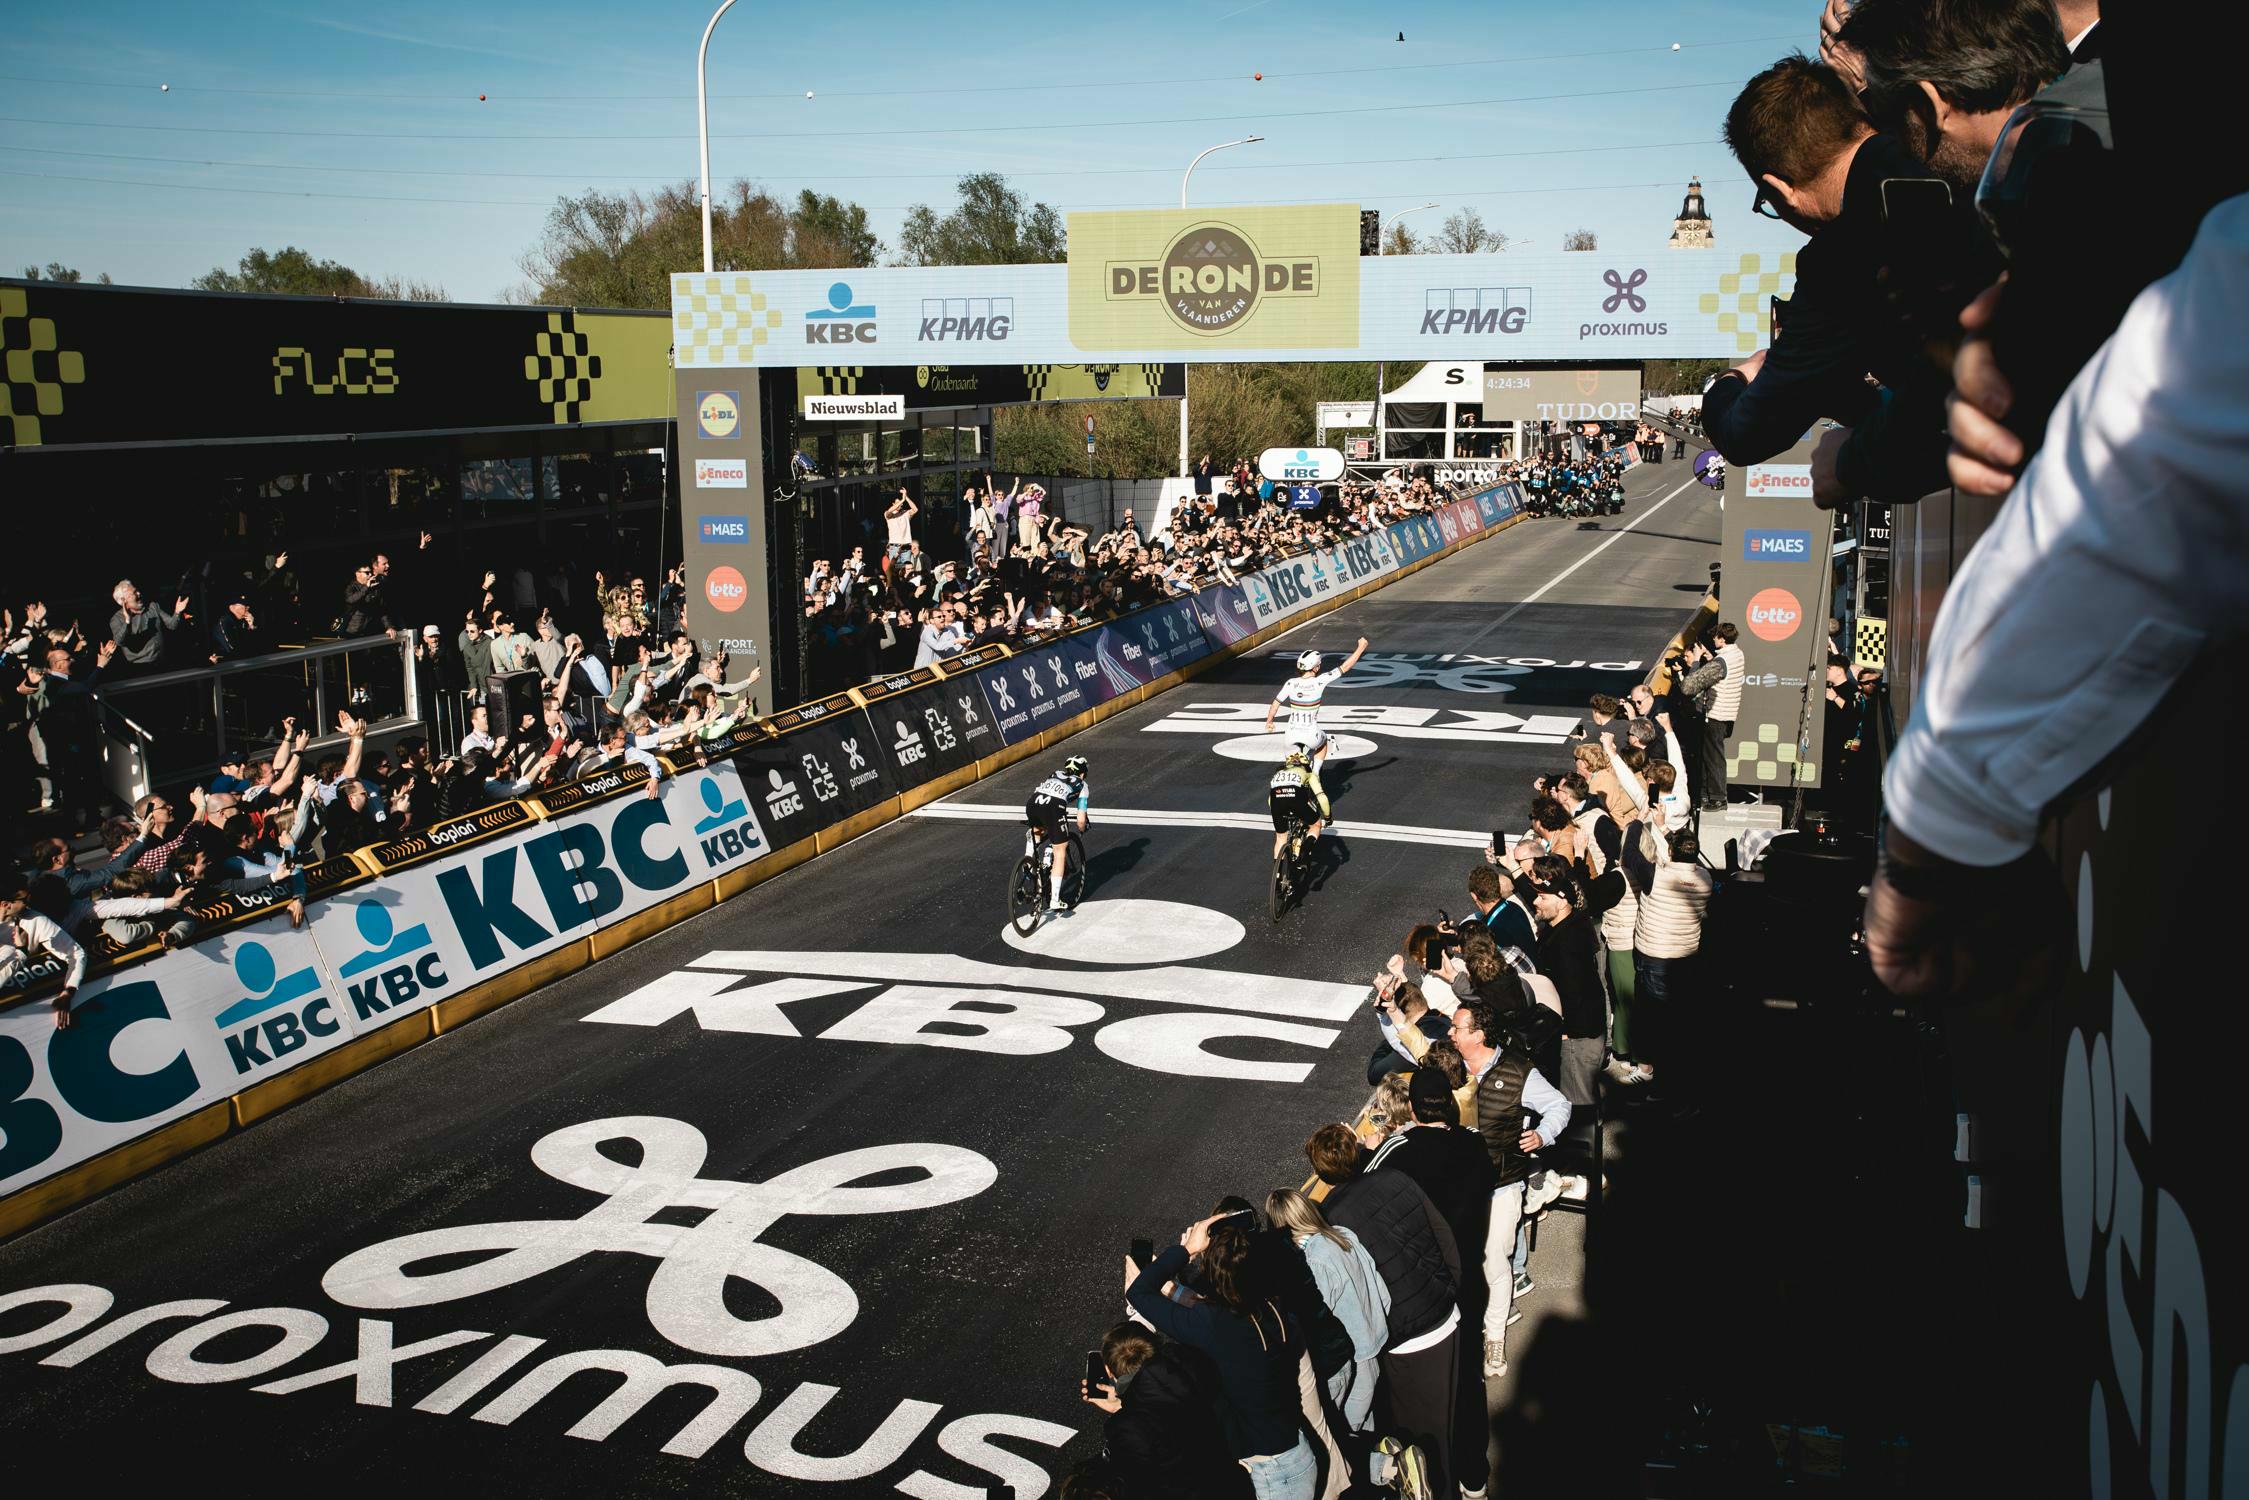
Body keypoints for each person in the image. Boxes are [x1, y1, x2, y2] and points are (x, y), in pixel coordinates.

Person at [1306, 1122, 1459, 1500]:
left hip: (1404, 1337)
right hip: (1444, 1314)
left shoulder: (1332, 1219)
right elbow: (1443, 1236)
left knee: (1419, 1448)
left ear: (1321, 1172)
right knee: (1448, 1427)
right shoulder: (1395, 1178)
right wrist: (1450, 1287)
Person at [1127, 1214, 1314, 1500]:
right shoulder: (1272, 1307)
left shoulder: (1212, 1324)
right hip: (1290, 1453)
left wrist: (1186, 1250)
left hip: (1276, 1472)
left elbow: (1138, 1292)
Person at [1445, 993, 1572, 1379]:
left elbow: (1559, 1105)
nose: (1449, 1033)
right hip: (1459, 1185)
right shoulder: (1450, 1065)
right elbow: (1408, 1041)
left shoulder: (1518, 1072)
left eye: (1457, 1028)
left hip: (1501, 1184)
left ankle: (1494, 1337)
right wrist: (1392, 1014)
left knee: (1494, 1261)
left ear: (1479, 1034)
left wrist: (1543, 1135)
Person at [1263, 1188, 1389, 1443]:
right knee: (1368, 1421)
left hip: (1354, 1356)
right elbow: (1378, 1286)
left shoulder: (1314, 1261)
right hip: (1374, 1340)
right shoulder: (1343, 1235)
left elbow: (1322, 1315)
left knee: (1349, 1432)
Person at [1081, 1324, 1246, 1500]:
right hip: (1230, 1485)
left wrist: (1122, 1411)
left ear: (1108, 1370)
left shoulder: (1128, 1429)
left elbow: (1134, 1482)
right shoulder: (1196, 1368)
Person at [1264, 637, 1370, 770]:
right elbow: (1345, 667)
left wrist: (1269, 721)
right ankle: (1315, 773)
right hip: (1311, 734)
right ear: (1315, 667)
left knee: (1292, 768)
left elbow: (1275, 704)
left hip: (1290, 735)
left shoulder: (1290, 683)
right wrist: (1361, 647)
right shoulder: (1319, 681)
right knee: (1323, 742)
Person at [0, 878, 88, 1028]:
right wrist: (21, 952)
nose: (30, 902)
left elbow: (76, 953)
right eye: (25, 899)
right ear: (6, 904)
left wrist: (68, 991)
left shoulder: (34, 918)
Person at [1025, 753, 1091, 915]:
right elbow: (1081, 820)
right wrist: (1082, 828)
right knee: (1060, 850)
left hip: (1033, 803)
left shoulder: (1055, 773)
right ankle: (1055, 899)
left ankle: (1028, 864)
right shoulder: (1082, 785)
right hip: (1053, 808)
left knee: (1037, 831)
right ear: (1082, 773)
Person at [1267, 745, 1331, 863]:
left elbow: (1270, 801)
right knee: (1316, 825)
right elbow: (1321, 797)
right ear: (1305, 765)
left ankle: (1278, 872)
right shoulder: (1308, 773)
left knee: (1281, 837)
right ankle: (1305, 851)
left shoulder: (1279, 773)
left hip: (1277, 797)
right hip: (1296, 795)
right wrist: (1328, 817)